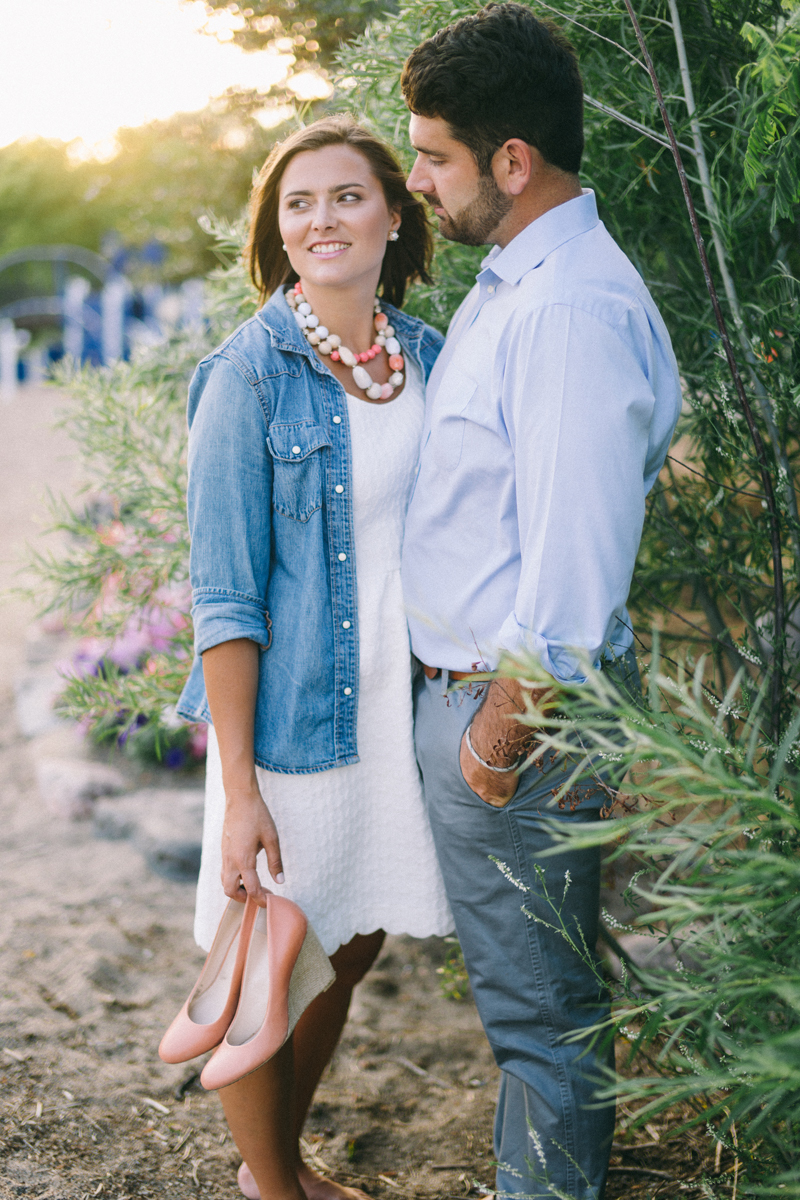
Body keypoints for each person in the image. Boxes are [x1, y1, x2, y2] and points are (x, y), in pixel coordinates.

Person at [400, 6, 681, 1199]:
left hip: (514, 723)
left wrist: (492, 746)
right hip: (491, 713)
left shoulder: (566, 310)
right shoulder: (520, 280)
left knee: (541, 1026)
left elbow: (571, 569)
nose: (416, 183)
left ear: (511, 163)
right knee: (535, 1014)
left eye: (432, 157)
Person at [175, 115, 453, 1200]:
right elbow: (225, 598)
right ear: (276, 231)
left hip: (398, 709)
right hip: (293, 723)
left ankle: (276, 1164)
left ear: (393, 212)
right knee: (267, 960)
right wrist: (239, 787)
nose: (322, 217)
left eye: (345, 195)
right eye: (298, 202)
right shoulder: (244, 377)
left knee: (354, 937)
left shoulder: (428, 358)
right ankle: (270, 1186)